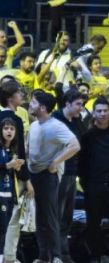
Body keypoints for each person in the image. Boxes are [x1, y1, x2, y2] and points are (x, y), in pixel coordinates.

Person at [27, 91, 80, 263]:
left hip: (48, 176)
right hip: (32, 174)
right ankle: (43, 256)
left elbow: (75, 145)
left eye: (33, 102)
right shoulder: (34, 125)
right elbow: (29, 150)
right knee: (38, 217)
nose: (30, 104)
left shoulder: (57, 126)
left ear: (43, 108)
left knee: (50, 217)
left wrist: (56, 162)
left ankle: (56, 257)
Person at [52, 88, 85, 263]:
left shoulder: (77, 121)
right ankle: (55, 255)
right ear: (67, 104)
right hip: (58, 173)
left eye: (82, 104)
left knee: (67, 217)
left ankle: (63, 254)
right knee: (56, 215)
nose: (81, 108)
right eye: (78, 104)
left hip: (72, 172)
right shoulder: (56, 120)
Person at [0, 118, 24, 263]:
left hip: (9, 192)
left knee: (6, 226)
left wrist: (17, 168)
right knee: (1, 226)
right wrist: (8, 165)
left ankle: (1, 257)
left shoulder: (13, 149)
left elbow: (15, 173)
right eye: (6, 128)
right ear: (1, 131)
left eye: (12, 129)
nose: (9, 131)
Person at [78, 97, 109, 263]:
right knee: (93, 223)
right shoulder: (87, 137)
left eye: (105, 110)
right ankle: (97, 255)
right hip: (93, 186)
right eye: (99, 111)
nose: (103, 114)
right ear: (94, 113)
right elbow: (82, 164)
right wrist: (86, 185)